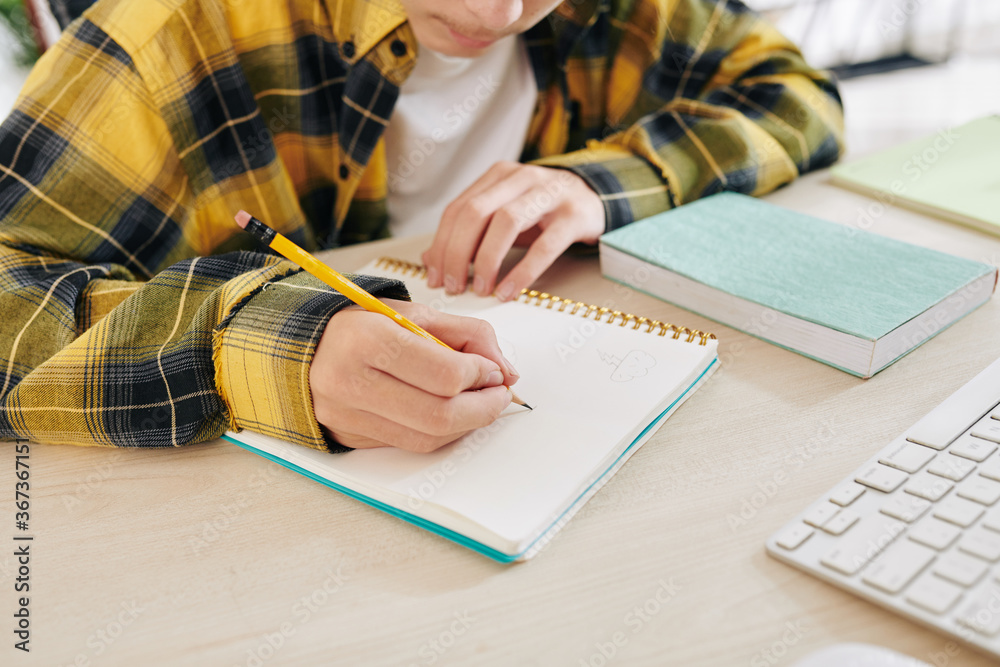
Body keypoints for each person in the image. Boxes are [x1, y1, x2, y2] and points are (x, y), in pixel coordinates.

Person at [0, 0, 843, 454]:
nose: (500, 9)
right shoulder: (176, 27)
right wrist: (257, 348)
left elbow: (797, 96)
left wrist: (596, 183)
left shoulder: (614, 12)